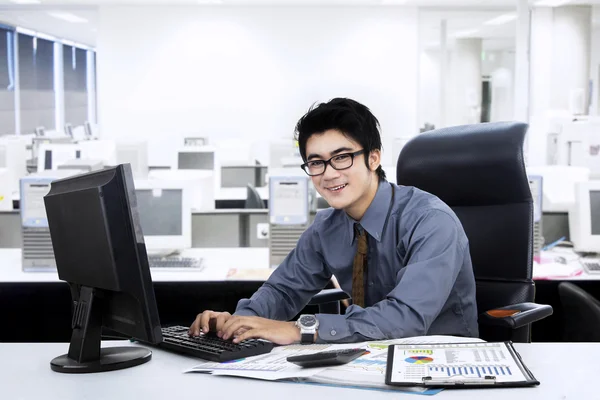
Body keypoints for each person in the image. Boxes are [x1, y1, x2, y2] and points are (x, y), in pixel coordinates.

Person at [189, 98, 478, 345]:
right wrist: (239, 322)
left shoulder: (431, 221)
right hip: (366, 361)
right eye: (316, 162)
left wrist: (298, 329)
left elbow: (405, 319)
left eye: (342, 158)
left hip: (441, 365)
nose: (328, 174)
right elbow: (283, 290)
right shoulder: (327, 227)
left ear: (373, 158)